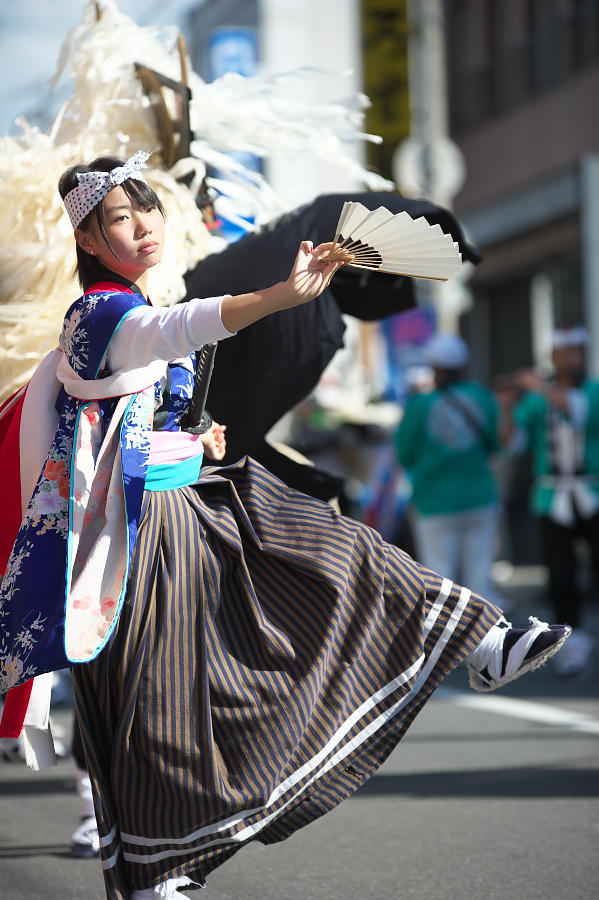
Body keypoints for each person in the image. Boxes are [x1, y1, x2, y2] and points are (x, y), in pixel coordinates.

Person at [0, 153, 570, 900]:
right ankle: (156, 870)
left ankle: (479, 638)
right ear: (89, 241)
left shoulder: (129, 306)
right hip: (134, 539)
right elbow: (178, 328)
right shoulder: (102, 312)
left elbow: (122, 402)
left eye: (146, 210)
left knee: (336, 552)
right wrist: (280, 295)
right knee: (163, 703)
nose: (141, 227)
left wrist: (190, 433)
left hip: (192, 503)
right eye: (118, 219)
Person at [500, 326, 598, 676]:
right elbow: (512, 444)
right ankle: (572, 645)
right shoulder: (539, 399)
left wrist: (538, 387)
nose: (571, 359)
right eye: (564, 353)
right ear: (554, 357)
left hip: (592, 491)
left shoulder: (592, 391)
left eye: (576, 352)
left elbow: (579, 412)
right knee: (560, 574)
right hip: (550, 495)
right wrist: (508, 408)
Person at [395, 333, 503, 607]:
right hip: (479, 498)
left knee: (441, 581)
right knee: (480, 580)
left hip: (434, 503)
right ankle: (487, 644)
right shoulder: (483, 397)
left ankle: (446, 648)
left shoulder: (419, 405)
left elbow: (404, 453)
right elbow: (495, 445)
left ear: (433, 367)